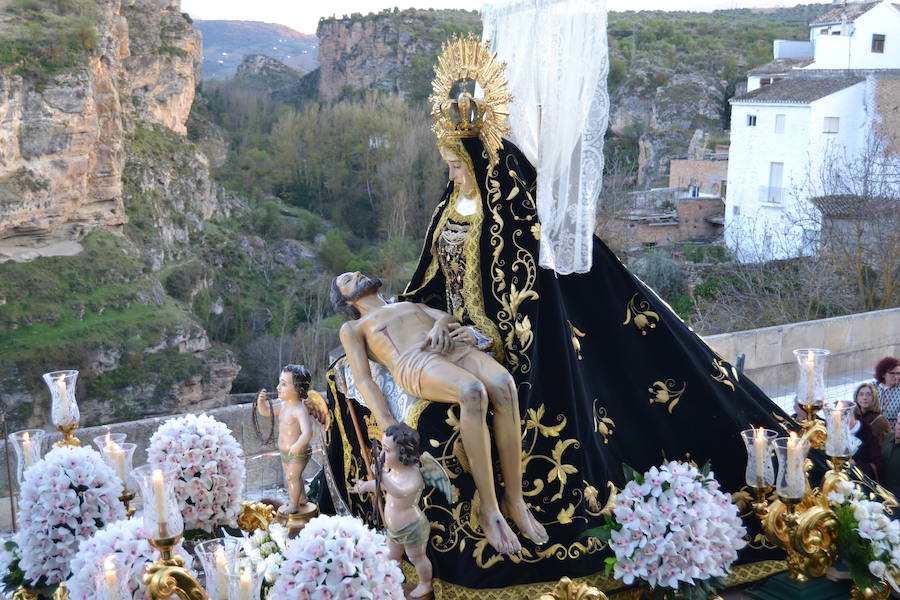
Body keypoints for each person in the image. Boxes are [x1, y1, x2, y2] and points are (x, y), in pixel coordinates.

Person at [332, 271, 547, 553]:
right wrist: (387, 421)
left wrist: (442, 326)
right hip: (415, 360)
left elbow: (444, 317)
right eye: (348, 280)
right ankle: (490, 508)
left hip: (452, 346)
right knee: (472, 391)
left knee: (505, 385)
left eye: (357, 273)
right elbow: (362, 379)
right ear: (345, 301)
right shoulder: (354, 328)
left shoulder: (410, 304)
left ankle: (515, 499)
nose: (358, 275)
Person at [349, 424, 437, 600]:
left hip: (412, 528)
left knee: (417, 558)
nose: (381, 455)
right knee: (392, 556)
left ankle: (426, 584)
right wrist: (364, 486)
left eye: (387, 450)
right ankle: (390, 581)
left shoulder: (413, 475)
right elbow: (381, 486)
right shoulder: (393, 472)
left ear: (404, 453)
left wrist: (383, 475)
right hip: (394, 529)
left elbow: (399, 492)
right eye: (382, 448)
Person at [256, 365, 318, 514]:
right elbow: (265, 412)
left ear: (297, 388)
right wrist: (261, 402)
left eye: (283, 384)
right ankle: (302, 498)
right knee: (293, 477)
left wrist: (297, 445)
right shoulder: (284, 406)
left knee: (292, 477)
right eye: (279, 383)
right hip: (285, 452)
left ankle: (293, 504)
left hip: (298, 452)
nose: (278, 387)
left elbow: (307, 433)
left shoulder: (299, 409)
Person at [875, 357, 900, 424]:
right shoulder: (872, 387)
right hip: (871, 429)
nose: (896, 377)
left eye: (898, 373)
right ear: (883, 374)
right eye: (892, 373)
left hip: (894, 431)